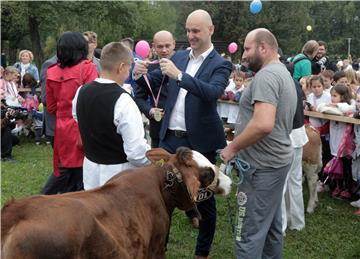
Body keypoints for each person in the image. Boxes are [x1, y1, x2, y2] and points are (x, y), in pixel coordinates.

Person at [134, 9, 232, 259]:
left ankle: (202, 253)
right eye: (188, 30)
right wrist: (139, 73)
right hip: (170, 139)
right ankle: (159, 250)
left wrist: (179, 76)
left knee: (204, 202)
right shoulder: (179, 56)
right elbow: (152, 82)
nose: (191, 35)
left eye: (196, 30)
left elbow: (212, 93)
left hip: (199, 144)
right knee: (161, 198)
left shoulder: (221, 64)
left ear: (211, 30)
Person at [221, 28, 297, 258]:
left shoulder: (267, 76)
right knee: (272, 229)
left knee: (247, 235)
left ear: (263, 47)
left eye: (247, 48)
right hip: (275, 163)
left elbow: (263, 123)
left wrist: (232, 147)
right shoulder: (281, 72)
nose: (243, 55)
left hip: (262, 168)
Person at [72, 42, 150, 189]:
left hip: (91, 173)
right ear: (121, 67)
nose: (128, 73)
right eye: (128, 68)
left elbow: (77, 116)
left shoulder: (81, 91)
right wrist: (155, 160)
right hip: (119, 179)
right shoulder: (124, 100)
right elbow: (136, 152)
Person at [44, 31, 98, 194]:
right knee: (82, 172)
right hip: (83, 127)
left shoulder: (51, 71)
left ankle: (51, 199)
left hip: (62, 129)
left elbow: (51, 106)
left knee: (64, 169)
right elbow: (92, 102)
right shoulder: (88, 68)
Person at [135, 30, 176, 148]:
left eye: (167, 46)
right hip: (158, 127)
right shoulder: (148, 68)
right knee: (158, 165)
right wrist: (150, 110)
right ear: (153, 47)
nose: (164, 50)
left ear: (173, 44)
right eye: (160, 46)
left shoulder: (184, 64)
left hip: (182, 131)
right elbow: (139, 98)